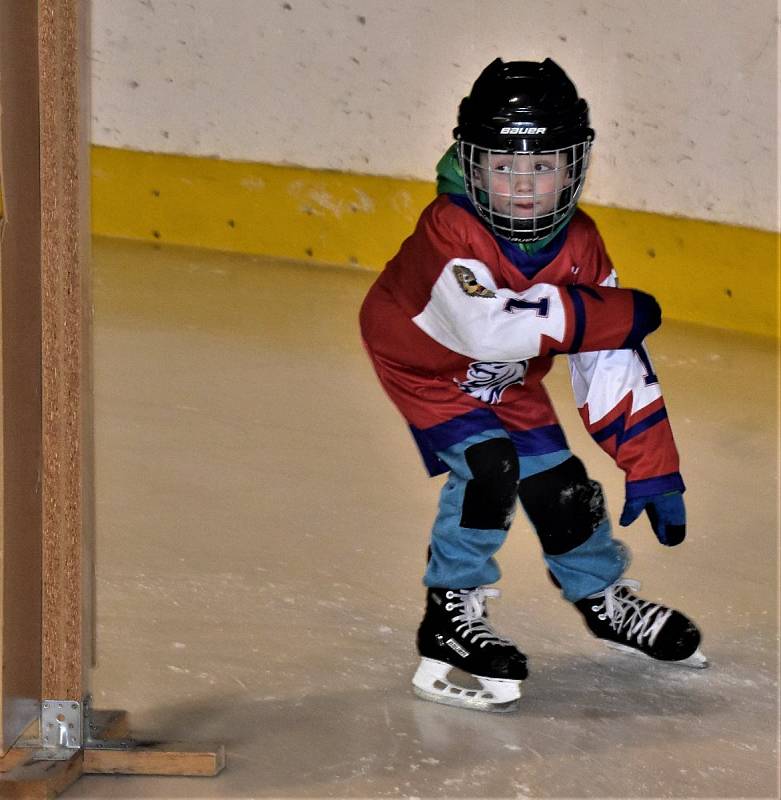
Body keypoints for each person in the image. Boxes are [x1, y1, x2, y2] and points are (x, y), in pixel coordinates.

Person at [359, 58, 706, 713]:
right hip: (422, 361)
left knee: (559, 484)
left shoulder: (580, 241)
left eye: (541, 166)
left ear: (572, 169)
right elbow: (486, 330)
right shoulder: (449, 228)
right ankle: (448, 616)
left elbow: (608, 359)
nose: (521, 186)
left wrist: (651, 464)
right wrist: (614, 311)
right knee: (491, 466)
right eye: (501, 166)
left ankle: (603, 600)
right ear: (470, 166)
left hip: (504, 372)